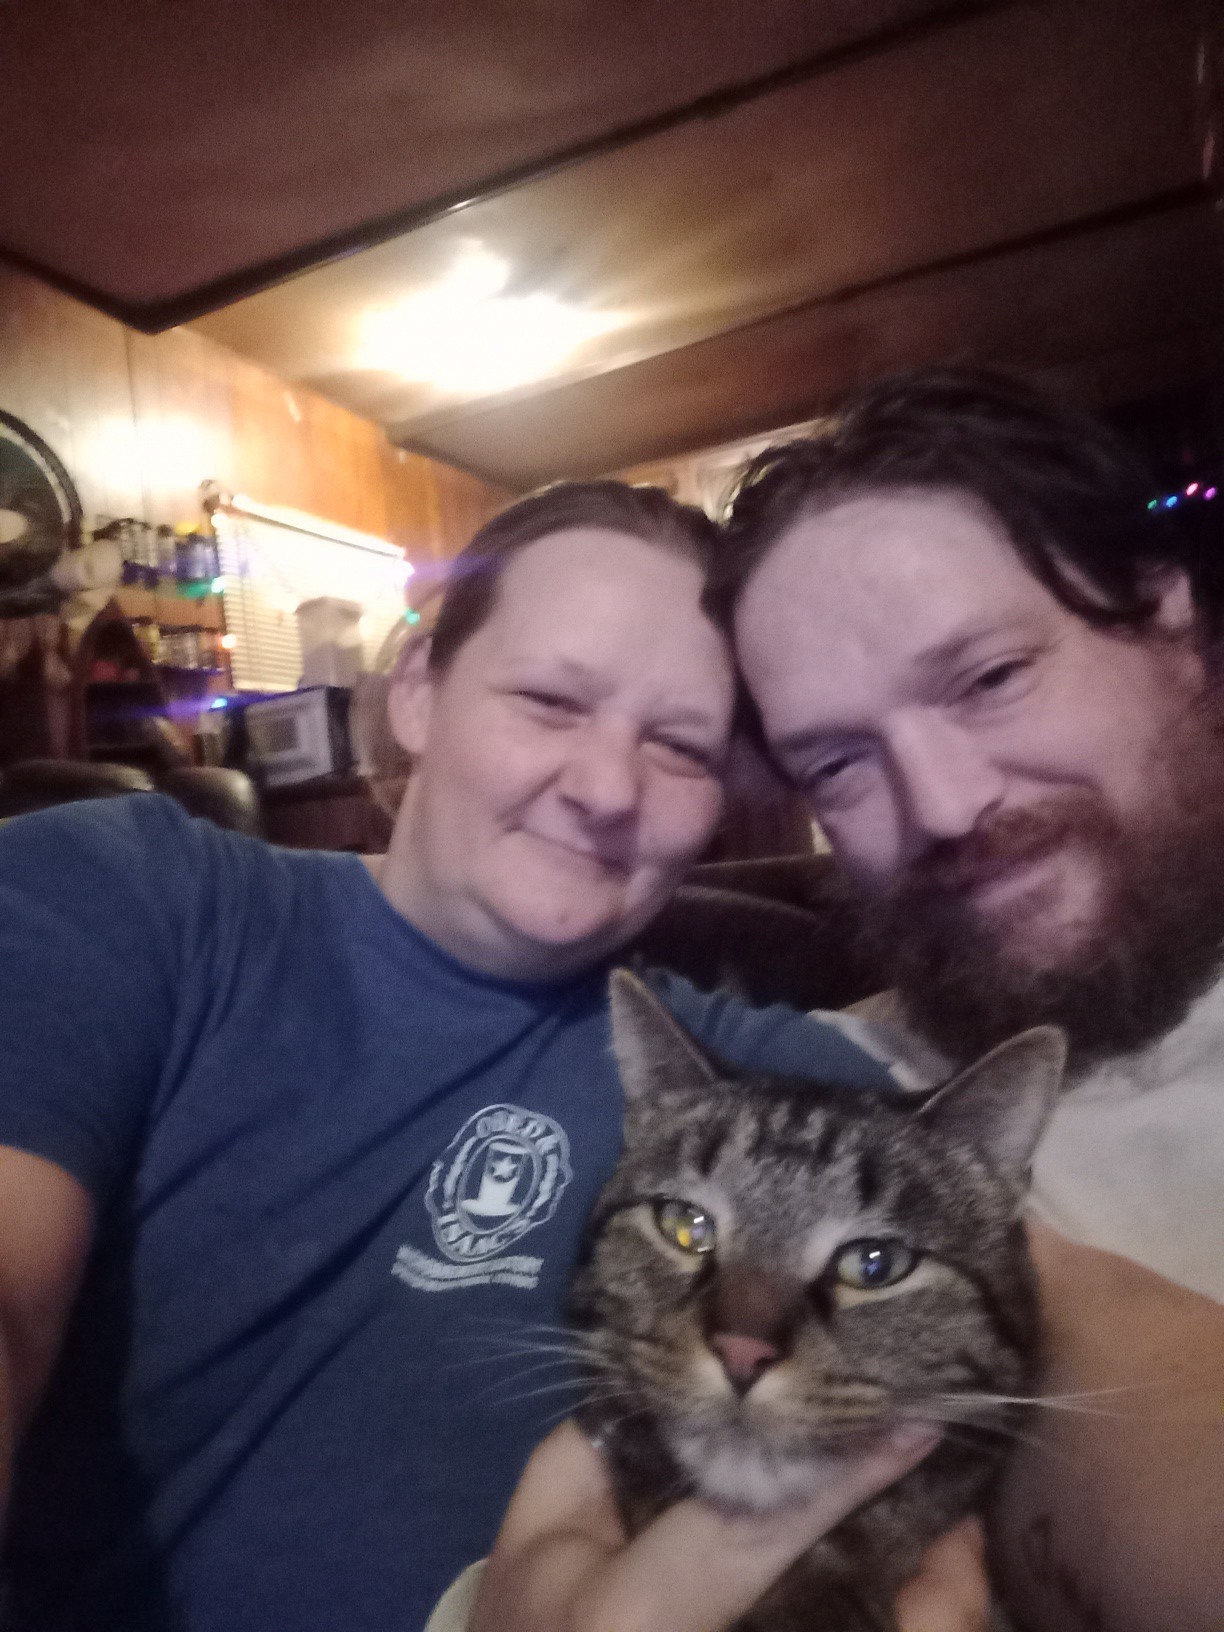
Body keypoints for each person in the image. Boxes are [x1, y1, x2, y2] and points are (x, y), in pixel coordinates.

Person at [0, 479, 973, 1632]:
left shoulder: (725, 1078)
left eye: (680, 746)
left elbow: (1057, 1281)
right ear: (419, 690)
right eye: (551, 701)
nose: (605, 788)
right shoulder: (127, 894)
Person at [720, 368, 1224, 1631]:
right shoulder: (815, 1098)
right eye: (840, 762)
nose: (944, 806)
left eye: (991, 677)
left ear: (1170, 621)